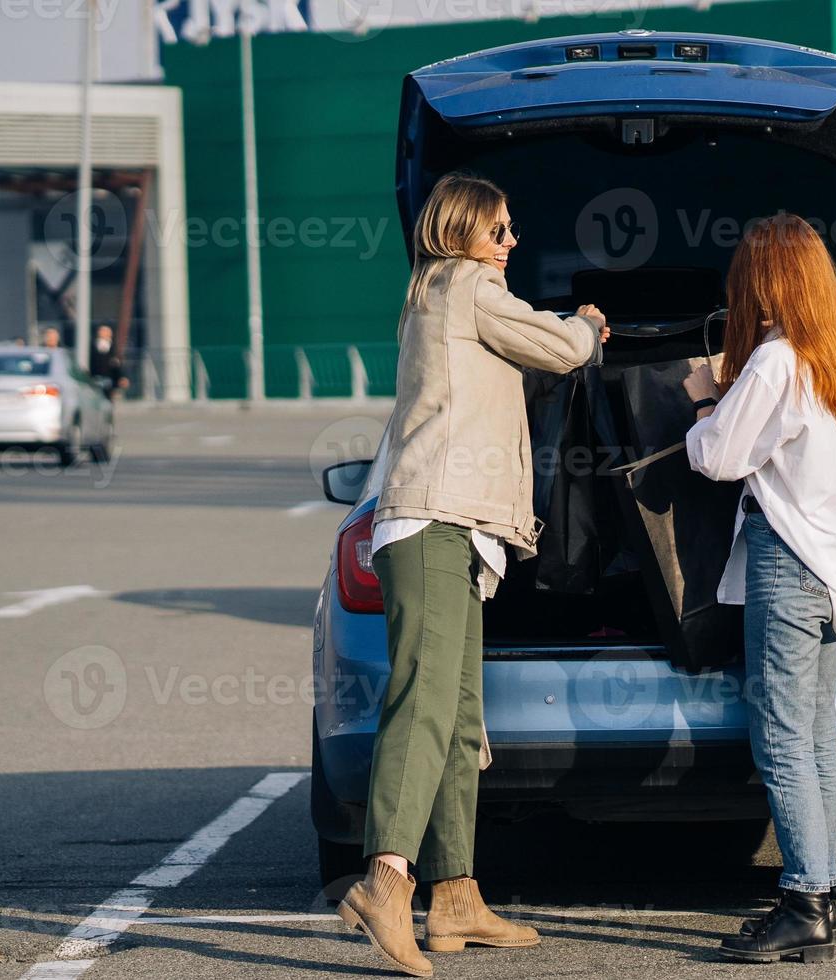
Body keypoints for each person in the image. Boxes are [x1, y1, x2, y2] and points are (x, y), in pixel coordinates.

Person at [336, 172, 609, 977]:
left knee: (460, 722)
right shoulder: (465, 283)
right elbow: (558, 346)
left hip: (455, 528)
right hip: (434, 525)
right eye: (500, 231)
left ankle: (455, 895)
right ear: (462, 233)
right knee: (423, 703)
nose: (511, 243)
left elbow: (512, 373)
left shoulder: (441, 296)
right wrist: (588, 325)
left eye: (511, 231)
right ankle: (386, 882)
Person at [683, 213, 836, 965]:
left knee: (782, 735)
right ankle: (819, 896)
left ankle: (804, 903)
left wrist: (705, 396)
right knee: (816, 736)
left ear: (763, 281)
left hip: (788, 561)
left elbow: (718, 456)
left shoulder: (773, 361)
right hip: (834, 566)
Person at [89, 323, 127, 398]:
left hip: (109, 380)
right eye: (102, 332)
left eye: (107, 332)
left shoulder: (114, 349)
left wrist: (122, 377)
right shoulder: (91, 347)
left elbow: (118, 365)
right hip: (95, 379)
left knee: (108, 400)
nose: (104, 334)